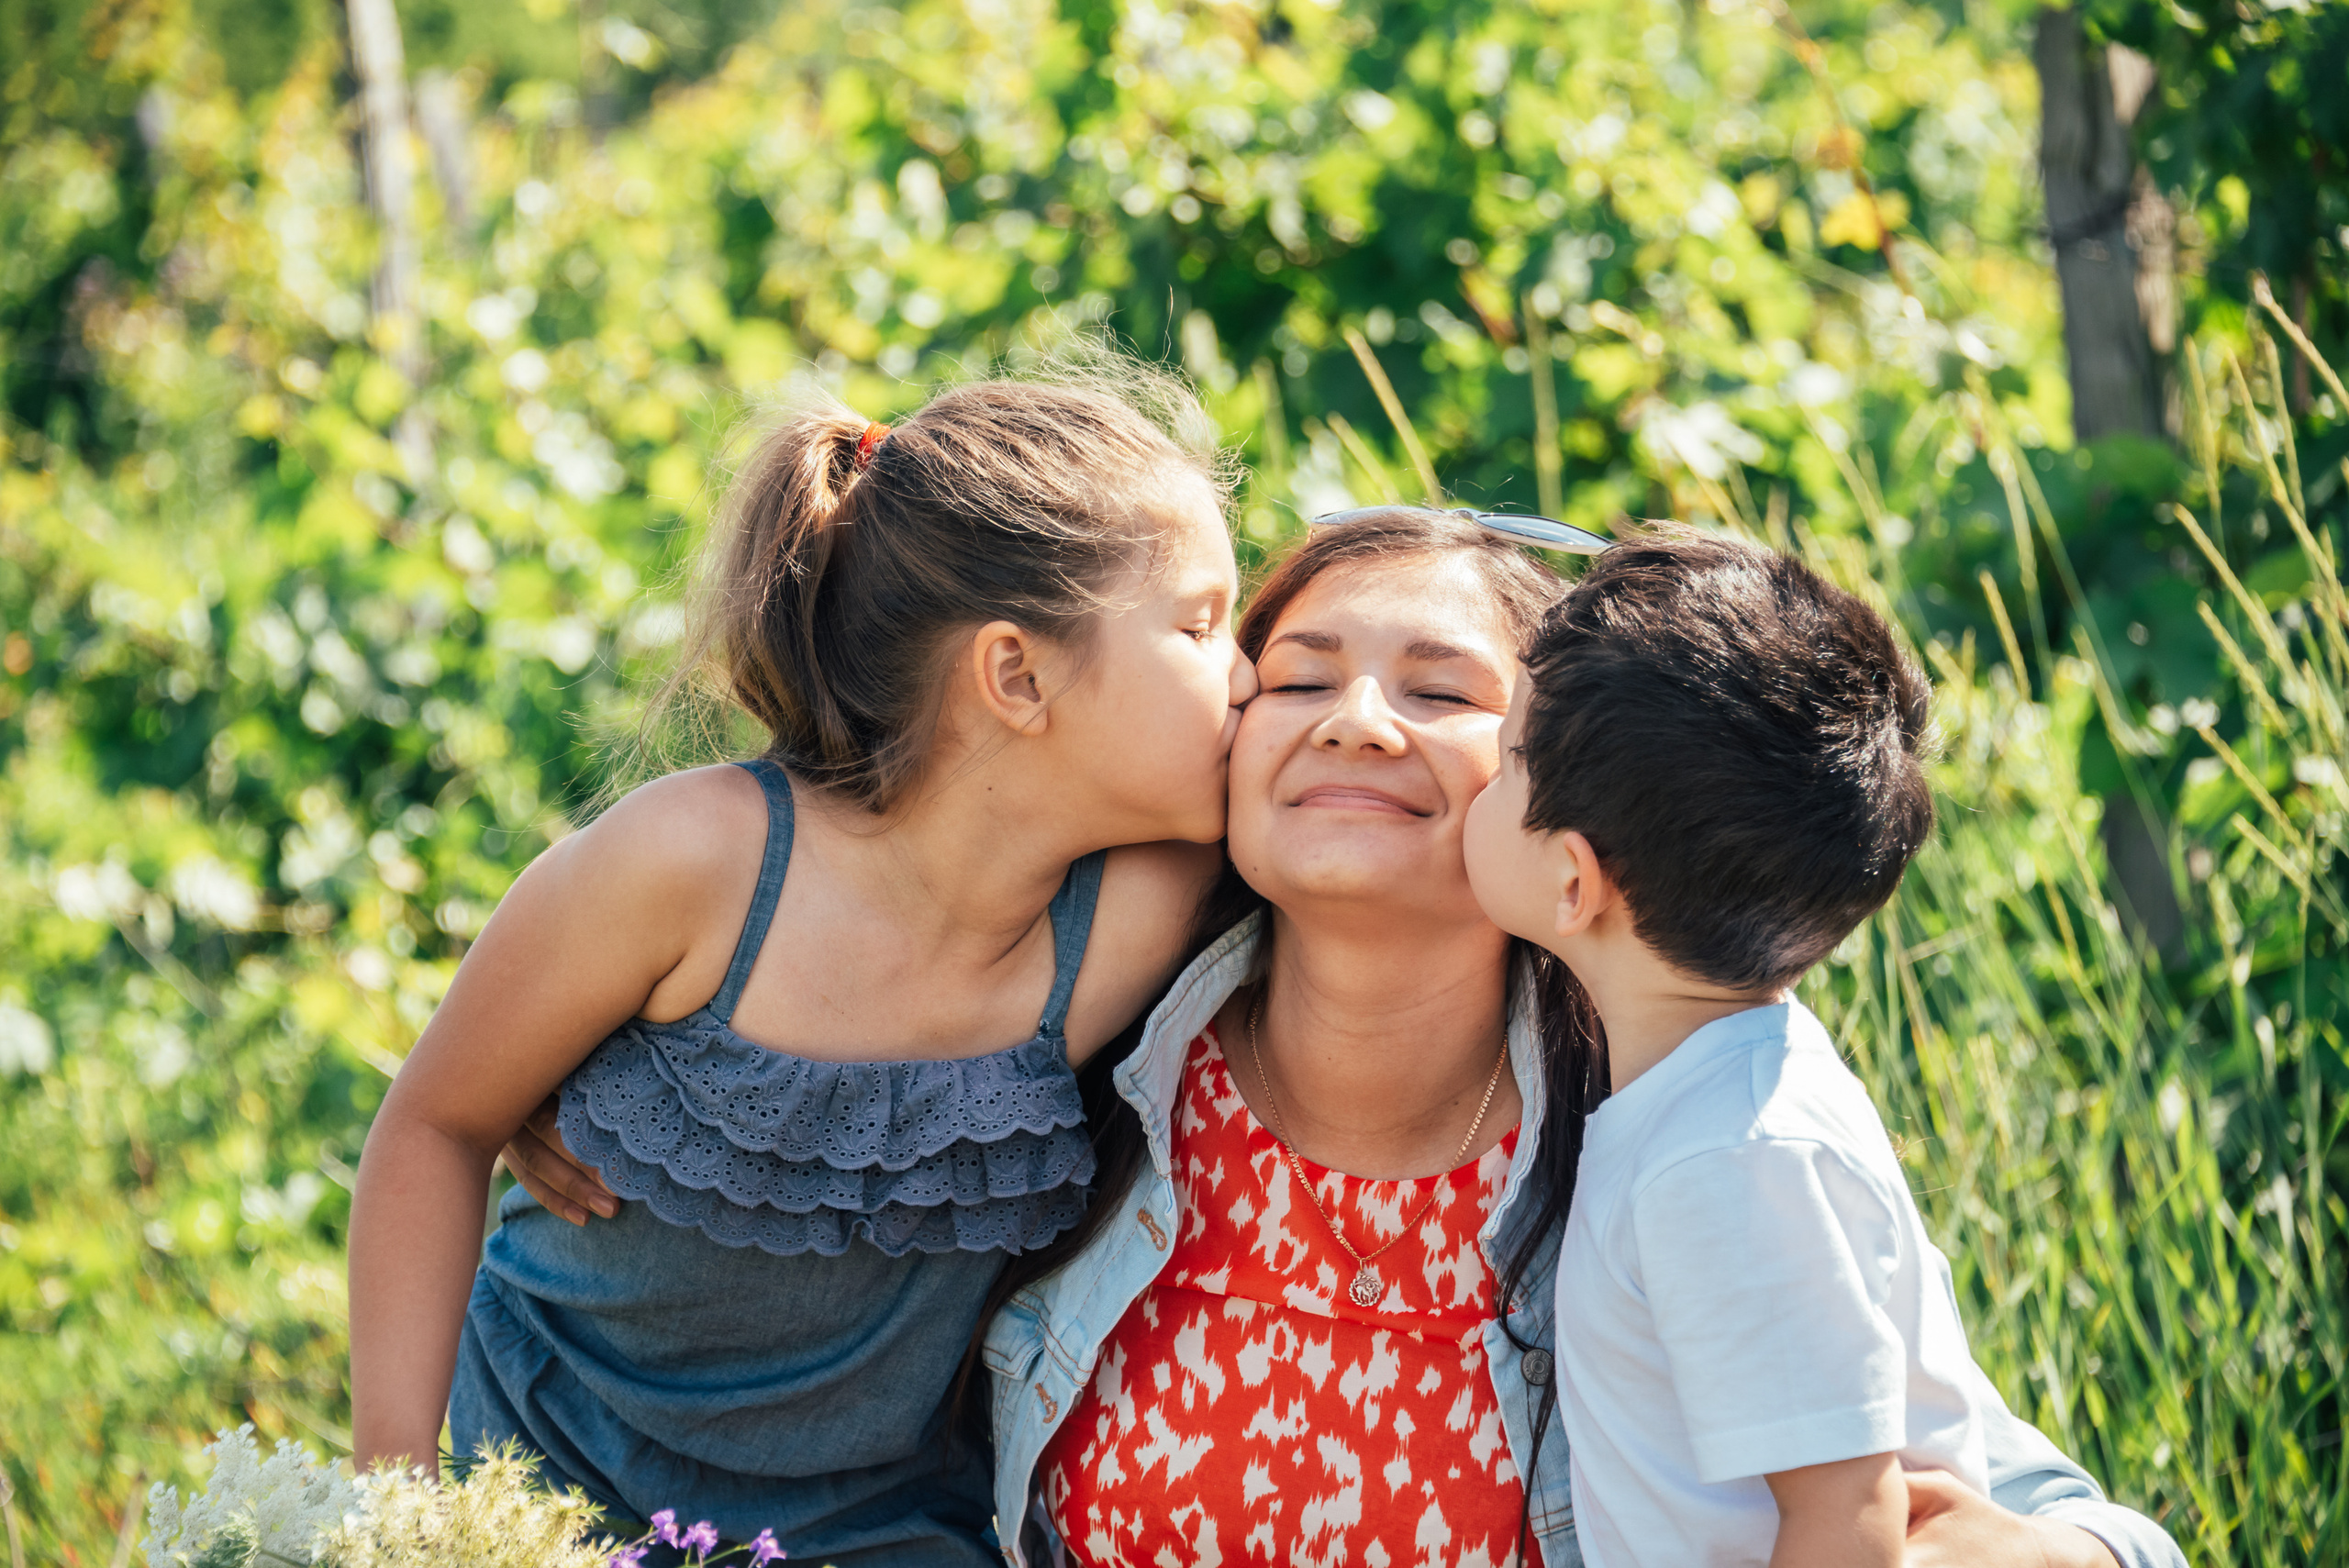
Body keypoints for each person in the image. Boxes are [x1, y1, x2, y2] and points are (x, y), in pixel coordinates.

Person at [508, 507, 2184, 1567]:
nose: (1359, 720)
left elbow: (1979, 1488)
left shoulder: (1683, 1103)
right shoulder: (1066, 1069)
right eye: (1295, 674)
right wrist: (605, 1087)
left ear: (1572, 799)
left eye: (1449, 694)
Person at [345, 366, 1259, 1564]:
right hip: (536, 1485)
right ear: (1017, 676)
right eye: (1200, 626)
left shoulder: (1133, 913)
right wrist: (397, 1504)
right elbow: (434, 1124)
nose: (1247, 675)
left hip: (872, 1533)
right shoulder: (698, 866)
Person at [1459, 527, 2107, 1567]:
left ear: (1572, 883)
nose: (1482, 783)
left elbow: (1847, 1512)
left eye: (1503, 763)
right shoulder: (1723, 1091)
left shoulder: (1727, 1161)